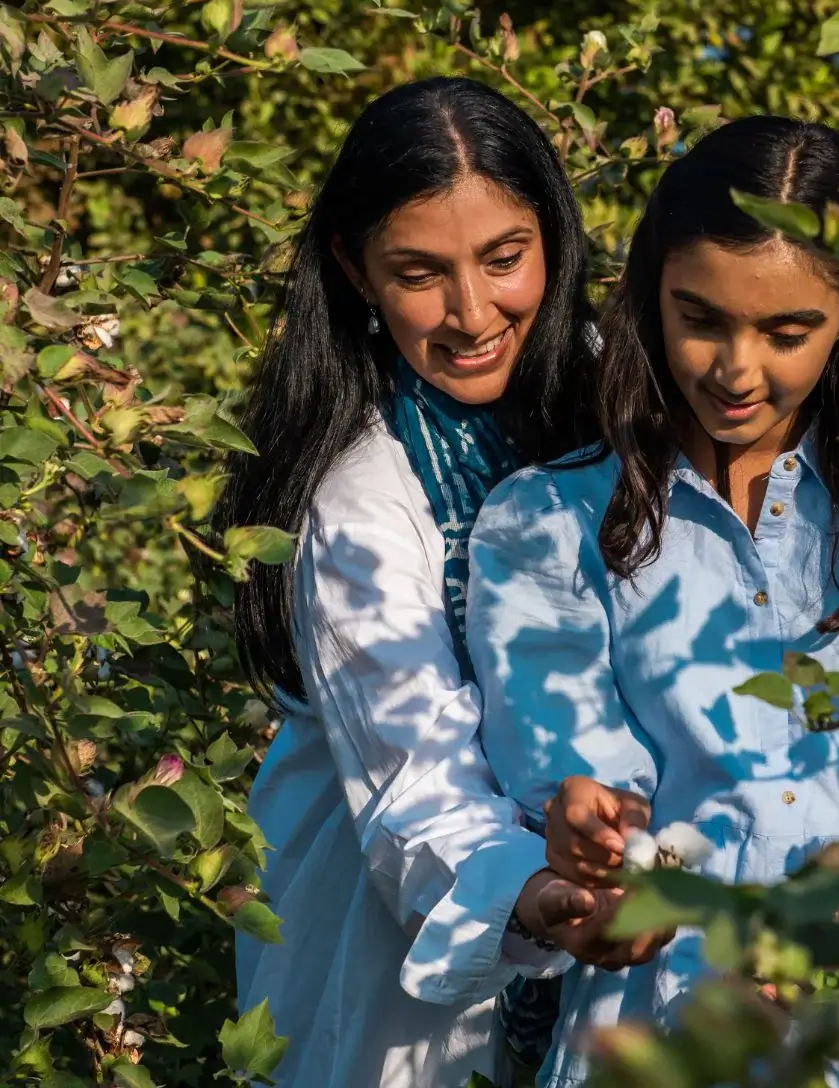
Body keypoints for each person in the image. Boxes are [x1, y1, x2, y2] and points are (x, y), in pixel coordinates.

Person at [466, 116, 839, 1088]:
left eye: (786, 333)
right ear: (650, 295)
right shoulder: (548, 521)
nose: (737, 371)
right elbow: (565, 765)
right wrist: (590, 827)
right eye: (701, 319)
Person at [216, 76, 666, 1088]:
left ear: (553, 234)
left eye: (505, 260)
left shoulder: (625, 398)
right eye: (421, 273)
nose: (472, 314)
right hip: (395, 981)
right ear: (354, 269)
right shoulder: (363, 497)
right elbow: (416, 792)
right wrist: (532, 896)